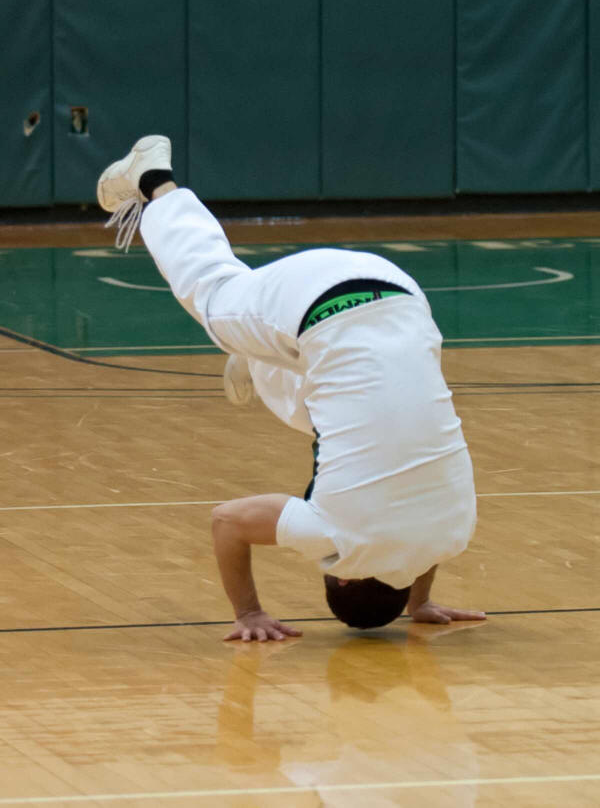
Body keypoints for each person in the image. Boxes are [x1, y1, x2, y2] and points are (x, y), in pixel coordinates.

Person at [97, 135, 486, 642]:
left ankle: (258, 358)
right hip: (312, 299)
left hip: (401, 294)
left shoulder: (452, 532)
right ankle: (154, 181)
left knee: (326, 415)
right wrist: (248, 613)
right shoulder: (334, 536)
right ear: (342, 577)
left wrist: (422, 602)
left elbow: (419, 552)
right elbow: (227, 522)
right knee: (213, 297)